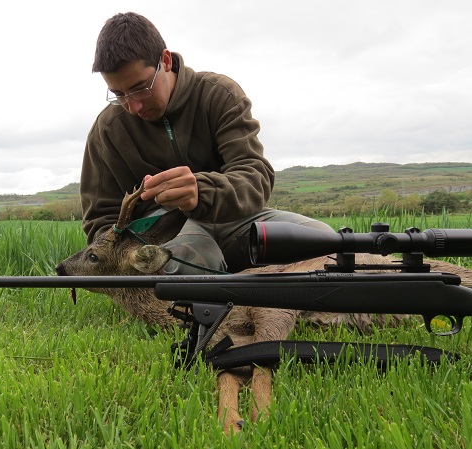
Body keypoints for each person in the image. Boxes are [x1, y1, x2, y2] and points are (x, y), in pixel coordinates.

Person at [81, 12, 333, 274]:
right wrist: (135, 253)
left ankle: (233, 272)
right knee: (190, 263)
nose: (133, 106)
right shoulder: (108, 129)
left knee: (322, 240)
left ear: (165, 61)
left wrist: (201, 192)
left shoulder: (218, 94)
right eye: (119, 94)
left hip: (234, 220)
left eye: (141, 87)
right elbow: (101, 221)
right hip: (164, 235)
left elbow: (255, 177)